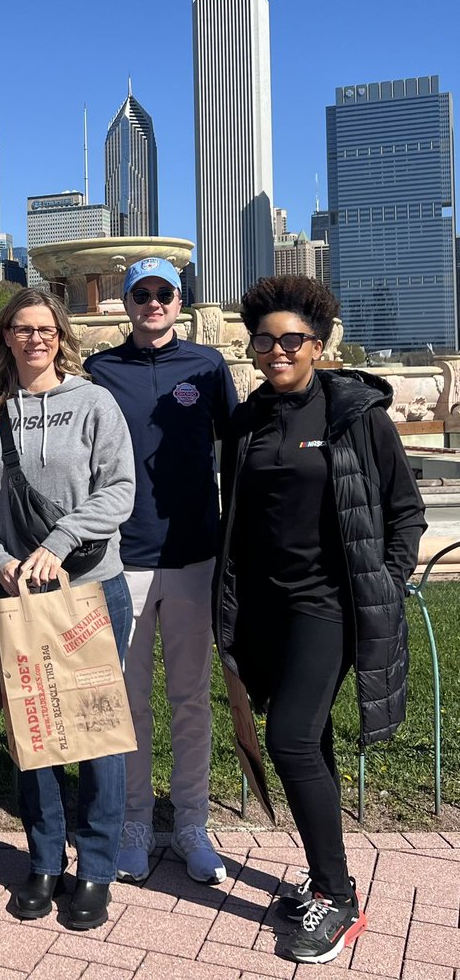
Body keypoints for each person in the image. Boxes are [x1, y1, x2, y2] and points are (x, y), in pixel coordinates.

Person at [214, 276, 425, 964]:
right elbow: (240, 520)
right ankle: (321, 872)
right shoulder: (246, 421)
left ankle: (338, 896)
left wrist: (385, 584)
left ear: (319, 344)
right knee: (316, 742)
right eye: (266, 339)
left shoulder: (355, 414)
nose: (278, 350)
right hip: (266, 609)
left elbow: (405, 510)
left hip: (328, 604)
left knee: (292, 741)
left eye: (293, 339)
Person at [0, 289, 135, 930]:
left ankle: (95, 867)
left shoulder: (93, 402)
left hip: (90, 585)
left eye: (45, 328)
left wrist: (59, 544)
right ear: (5, 337)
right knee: (35, 735)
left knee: (95, 734)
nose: (35, 338)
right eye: (22, 329)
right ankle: (42, 861)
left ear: (61, 335)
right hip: (14, 592)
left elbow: (119, 491)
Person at [86, 258, 236, 885]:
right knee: (128, 702)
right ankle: (135, 821)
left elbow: (241, 446)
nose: (153, 303)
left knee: (190, 698)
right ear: (125, 303)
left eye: (164, 294)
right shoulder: (100, 371)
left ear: (180, 302)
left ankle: (193, 821)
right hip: (121, 559)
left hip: (193, 557)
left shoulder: (207, 366)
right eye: (141, 294)